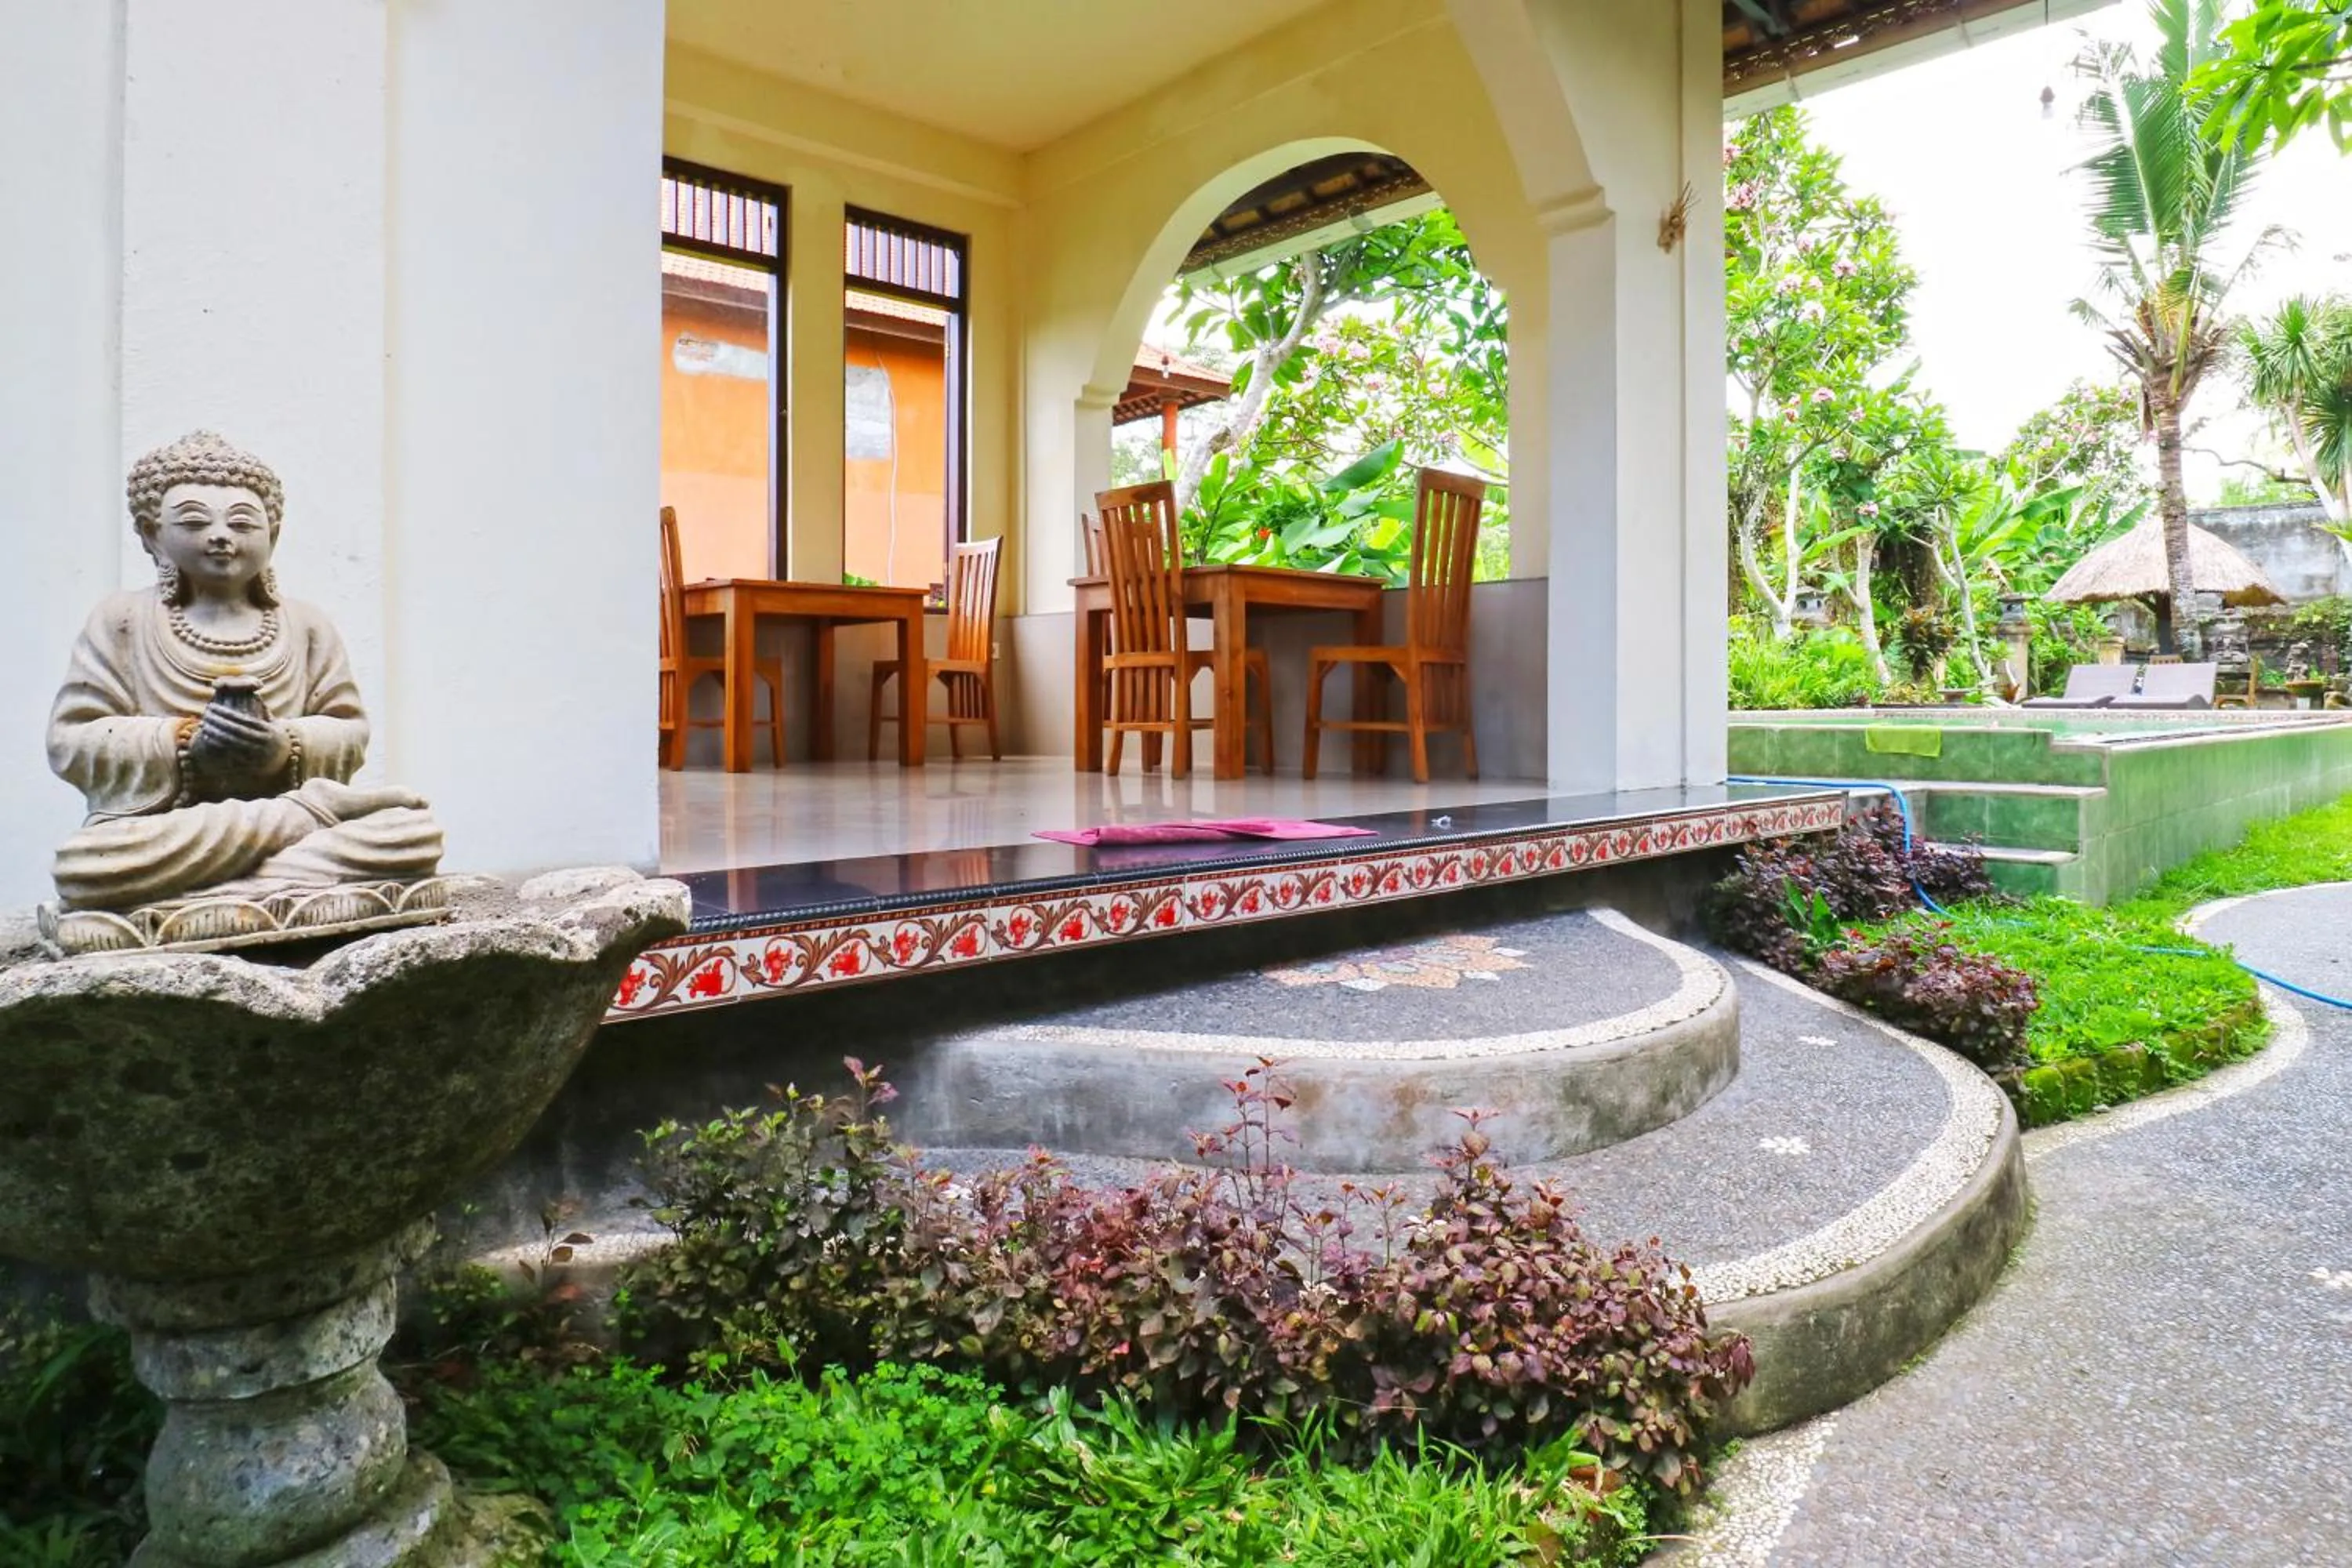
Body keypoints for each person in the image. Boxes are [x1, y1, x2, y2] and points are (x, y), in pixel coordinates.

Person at [46, 430, 443, 914]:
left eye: (242, 522)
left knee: (411, 833)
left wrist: (285, 746)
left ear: (272, 535)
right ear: (152, 535)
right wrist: (183, 743)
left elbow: (349, 729)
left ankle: (212, 895)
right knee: (87, 863)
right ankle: (286, 863)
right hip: (173, 826)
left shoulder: (306, 625)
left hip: (275, 812)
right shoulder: (123, 620)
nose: (221, 536)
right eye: (195, 521)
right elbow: (71, 739)